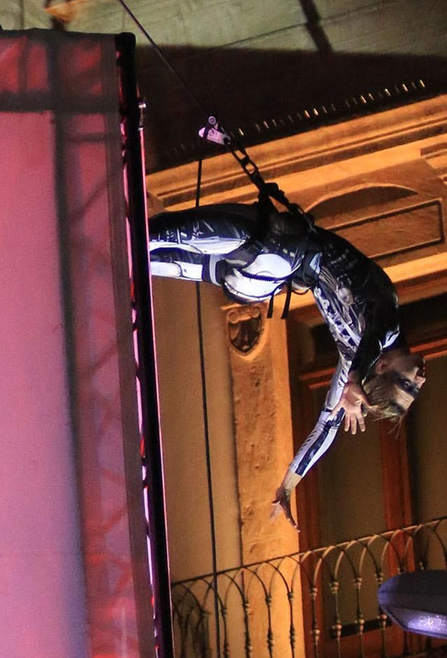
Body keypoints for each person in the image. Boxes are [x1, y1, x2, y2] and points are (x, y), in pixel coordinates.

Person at [147, 195, 426, 523]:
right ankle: (143, 248)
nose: (420, 378)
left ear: (383, 367)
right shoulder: (368, 343)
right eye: (415, 387)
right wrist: (289, 484)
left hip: (282, 250)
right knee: (180, 253)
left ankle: (144, 241)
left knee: (166, 236)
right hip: (274, 271)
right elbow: (368, 343)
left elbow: (328, 426)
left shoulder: (378, 335)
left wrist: (289, 484)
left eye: (407, 383)